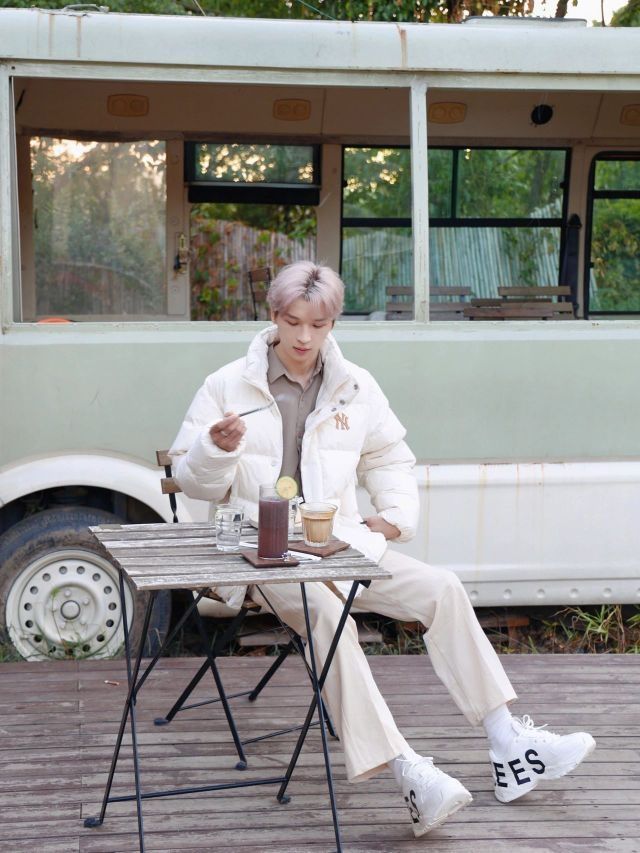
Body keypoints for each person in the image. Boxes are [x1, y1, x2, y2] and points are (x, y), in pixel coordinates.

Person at [170, 261, 595, 838]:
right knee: (327, 615)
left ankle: (507, 742)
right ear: (273, 316)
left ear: (332, 324)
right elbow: (190, 479)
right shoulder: (226, 385)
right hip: (260, 553)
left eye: (318, 325)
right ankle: (407, 772)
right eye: (292, 322)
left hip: (338, 541)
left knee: (442, 588)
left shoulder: (356, 386)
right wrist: (215, 449)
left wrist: (393, 518)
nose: (304, 338)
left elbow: (389, 457)